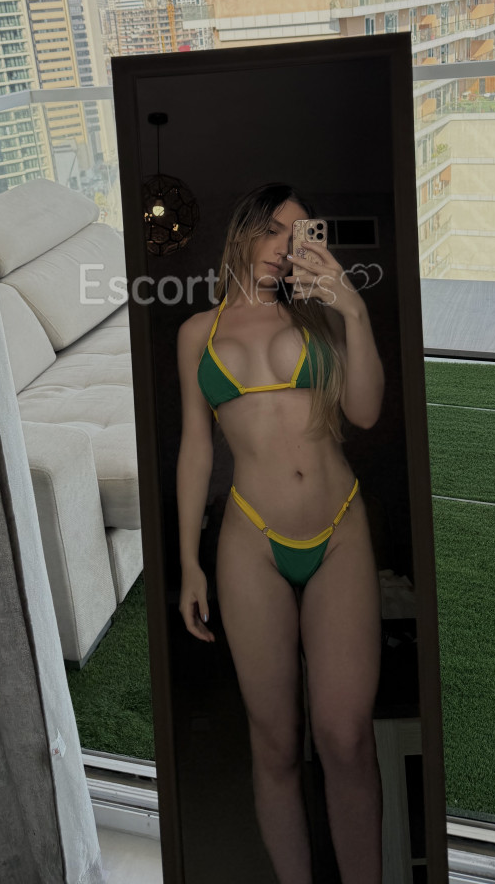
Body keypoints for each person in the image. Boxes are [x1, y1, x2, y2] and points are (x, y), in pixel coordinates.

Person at [175, 182, 386, 884]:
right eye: (271, 230)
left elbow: (365, 412)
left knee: (346, 737)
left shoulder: (321, 317)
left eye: (299, 236)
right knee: (275, 747)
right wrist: (189, 563)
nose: (282, 248)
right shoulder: (196, 334)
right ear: (241, 232)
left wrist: (352, 308)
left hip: (339, 529)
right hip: (251, 543)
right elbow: (196, 450)